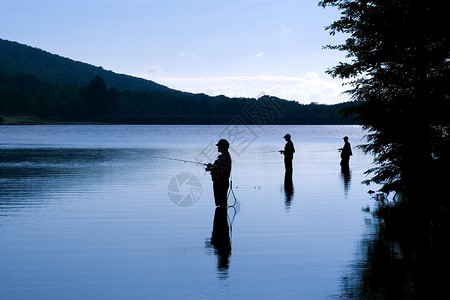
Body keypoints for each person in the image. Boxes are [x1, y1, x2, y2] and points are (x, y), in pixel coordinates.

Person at [206, 139, 232, 207]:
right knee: (221, 204)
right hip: (222, 182)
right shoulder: (225, 156)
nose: (218, 147)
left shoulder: (224, 157)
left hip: (221, 183)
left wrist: (210, 168)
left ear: (222, 147)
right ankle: (221, 216)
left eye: (219, 146)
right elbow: (219, 167)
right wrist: (211, 166)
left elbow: (219, 169)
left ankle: (221, 216)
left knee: (220, 204)